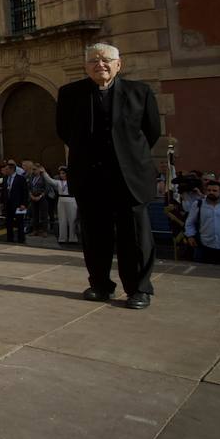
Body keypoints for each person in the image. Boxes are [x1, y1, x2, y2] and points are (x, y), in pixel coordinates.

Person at [56, 42, 162, 309]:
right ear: (85, 66)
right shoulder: (70, 94)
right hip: (90, 177)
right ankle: (101, 285)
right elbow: (64, 131)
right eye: (93, 60)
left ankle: (139, 289)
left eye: (106, 60)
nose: (99, 64)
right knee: (94, 235)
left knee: (135, 236)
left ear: (118, 64)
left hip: (130, 178)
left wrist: (127, 157)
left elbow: (151, 132)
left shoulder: (140, 92)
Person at [0, 159, 30, 243]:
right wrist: (2, 202)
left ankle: (21, 239)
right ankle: (10, 238)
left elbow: (25, 192)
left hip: (18, 204)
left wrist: (24, 204)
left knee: (19, 223)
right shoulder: (5, 178)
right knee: (9, 223)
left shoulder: (20, 179)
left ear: (12, 169)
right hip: (8, 204)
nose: (5, 171)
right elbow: (4, 191)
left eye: (7, 169)